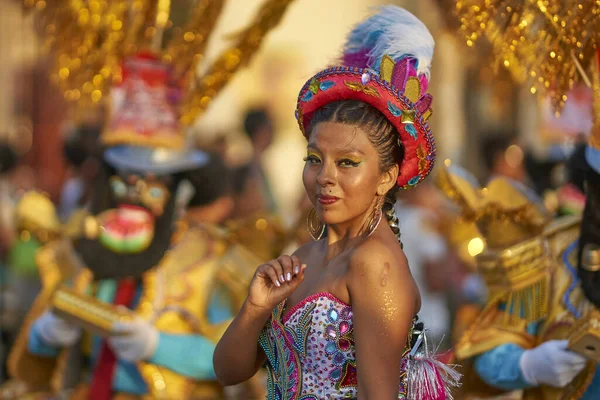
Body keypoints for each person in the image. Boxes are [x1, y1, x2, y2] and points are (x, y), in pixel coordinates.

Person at [213, 6, 460, 399]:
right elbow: (228, 371)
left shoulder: (373, 263)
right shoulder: (304, 257)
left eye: (347, 163)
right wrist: (256, 308)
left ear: (387, 177)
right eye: (314, 159)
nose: (324, 176)